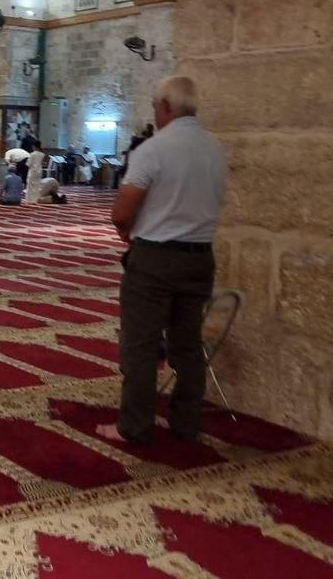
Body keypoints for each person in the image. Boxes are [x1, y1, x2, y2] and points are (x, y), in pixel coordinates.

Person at [96, 76, 228, 447]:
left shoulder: (154, 149)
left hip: (155, 259)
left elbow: (121, 212)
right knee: (188, 345)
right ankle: (185, 423)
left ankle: (134, 426)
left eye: (156, 107)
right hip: (200, 257)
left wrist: (127, 233)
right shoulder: (214, 149)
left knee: (141, 345)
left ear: (165, 107)